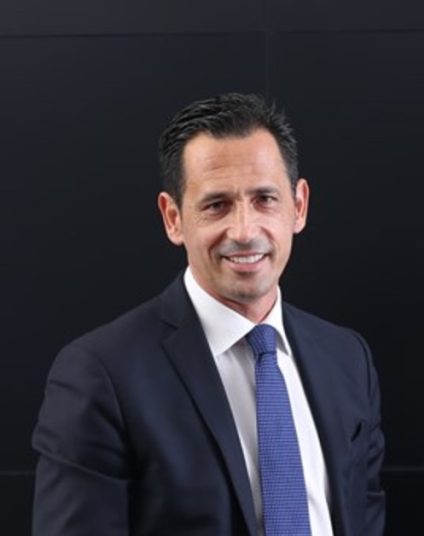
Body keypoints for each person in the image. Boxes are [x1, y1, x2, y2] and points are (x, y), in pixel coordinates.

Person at [32, 93, 384, 536]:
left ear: (299, 206)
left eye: (265, 199)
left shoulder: (347, 359)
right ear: (173, 218)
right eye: (217, 204)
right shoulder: (100, 376)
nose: (245, 231)